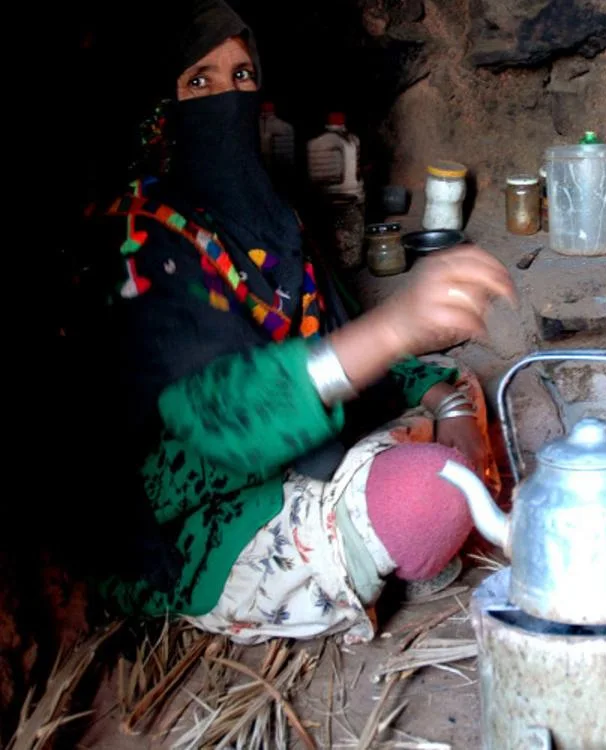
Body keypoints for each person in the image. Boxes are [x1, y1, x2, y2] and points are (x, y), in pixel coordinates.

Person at [71, 0, 515, 645]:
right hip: (202, 509)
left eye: (242, 76)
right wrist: (396, 326)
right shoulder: (136, 243)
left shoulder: (269, 220)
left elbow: (343, 341)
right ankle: (388, 530)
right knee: (427, 495)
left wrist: (446, 402)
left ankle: (389, 523)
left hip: (315, 443)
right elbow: (217, 417)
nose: (227, 98)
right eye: (199, 81)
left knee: (457, 382)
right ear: (157, 109)